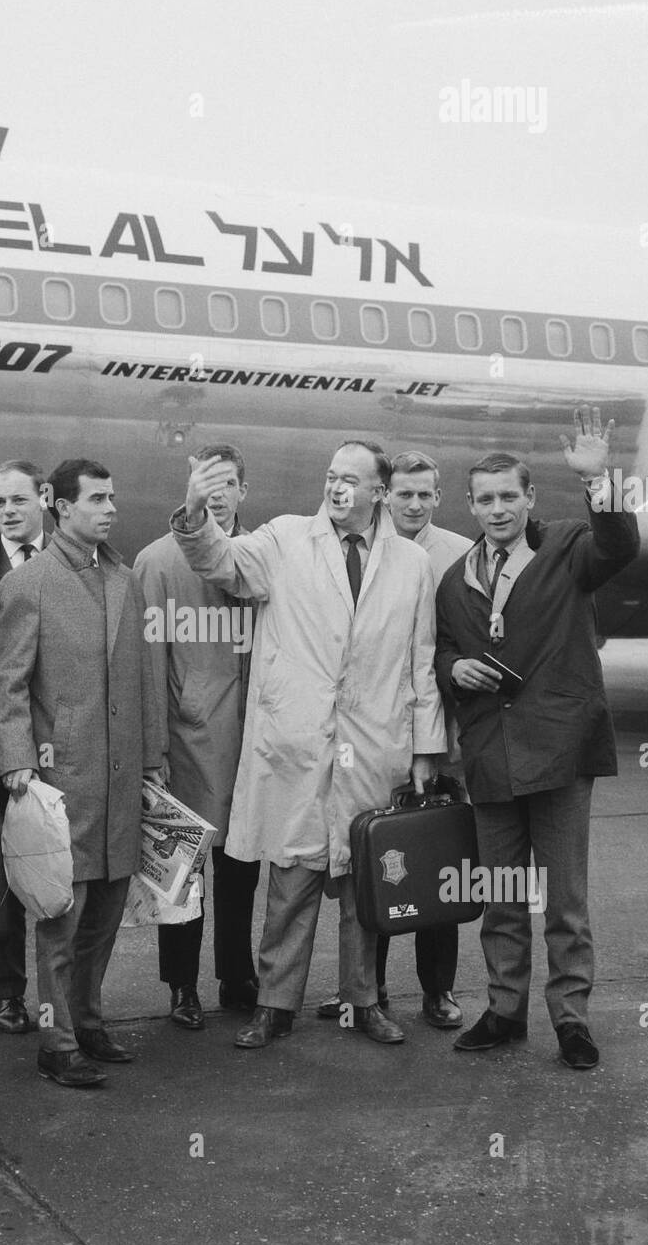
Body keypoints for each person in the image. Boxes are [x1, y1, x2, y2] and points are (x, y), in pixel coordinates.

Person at [174, 441, 445, 1050]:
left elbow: (420, 660)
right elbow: (219, 561)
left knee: (365, 882)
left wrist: (425, 749)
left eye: (350, 479)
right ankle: (275, 1005)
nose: (336, 487)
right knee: (291, 881)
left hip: (372, 745)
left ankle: (363, 1001)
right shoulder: (284, 538)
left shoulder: (411, 563)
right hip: (297, 742)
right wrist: (195, 512)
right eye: (330, 475)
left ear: (379, 491)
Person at [435, 408, 639, 1070]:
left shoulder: (569, 547)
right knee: (500, 898)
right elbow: (444, 649)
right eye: (485, 499)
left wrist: (600, 479)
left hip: (560, 751)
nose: (497, 510)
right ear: (470, 505)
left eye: (508, 497)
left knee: (564, 902)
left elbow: (620, 547)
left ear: (529, 498)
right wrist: (452, 669)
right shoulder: (455, 579)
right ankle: (504, 1010)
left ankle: (571, 1019)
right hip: (491, 753)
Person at [0, 459, 165, 1088]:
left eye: (112, 498)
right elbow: (3, 683)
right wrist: (15, 761)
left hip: (119, 779)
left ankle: (87, 1020)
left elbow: (143, 676)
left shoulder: (123, 578)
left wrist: (152, 758)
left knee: (107, 909)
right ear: (60, 506)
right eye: (97, 499)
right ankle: (55, 1042)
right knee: (61, 915)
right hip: (61, 781)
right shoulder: (27, 584)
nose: (110, 509)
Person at [317, 449, 472, 1029]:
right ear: (384, 495)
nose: (413, 504)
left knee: (435, 862)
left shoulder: (458, 555)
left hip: (440, 740)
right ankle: (368, 990)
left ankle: (438, 991)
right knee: (376, 860)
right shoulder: (358, 550)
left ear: (438, 497)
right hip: (374, 739)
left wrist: (435, 744)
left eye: (424, 494)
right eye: (403, 493)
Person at [134, 444, 261, 1029]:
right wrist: (153, 749)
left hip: (252, 737)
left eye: (227, 482)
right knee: (180, 873)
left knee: (242, 867)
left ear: (243, 491)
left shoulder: (262, 553)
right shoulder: (157, 562)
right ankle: (181, 985)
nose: (217, 493)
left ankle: (237, 975)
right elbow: (147, 667)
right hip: (186, 740)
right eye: (206, 482)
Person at [0, 458, 53, 1035]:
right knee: (2, 879)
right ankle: (10, 994)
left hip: (61, 741)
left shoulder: (72, 560)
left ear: (44, 497)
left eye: (18, 499)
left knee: (59, 872)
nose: (7, 511)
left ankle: (62, 996)